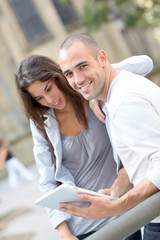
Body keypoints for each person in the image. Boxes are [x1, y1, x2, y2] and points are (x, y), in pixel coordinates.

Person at [15, 54, 152, 240]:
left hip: (119, 209)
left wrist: (96, 82)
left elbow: (145, 63)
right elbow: (47, 182)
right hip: (83, 225)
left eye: (49, 88)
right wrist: (64, 233)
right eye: (39, 97)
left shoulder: (91, 92)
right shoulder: (42, 123)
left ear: (59, 77)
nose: (49, 99)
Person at [58, 33, 160, 240]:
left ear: (103, 58)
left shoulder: (123, 103)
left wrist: (118, 207)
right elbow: (141, 159)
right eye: (69, 73)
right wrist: (115, 193)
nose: (77, 80)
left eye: (83, 66)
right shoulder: (118, 90)